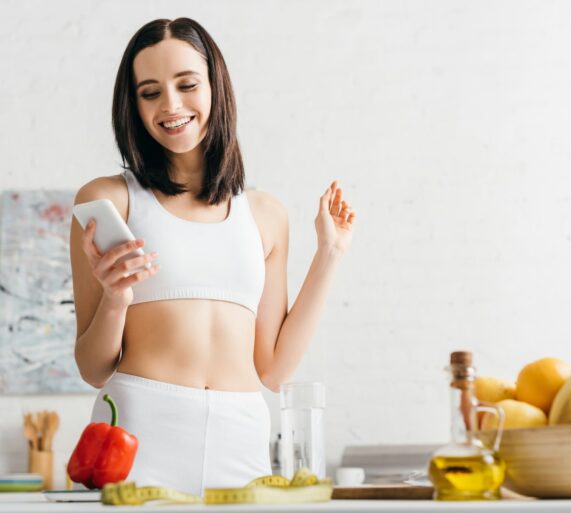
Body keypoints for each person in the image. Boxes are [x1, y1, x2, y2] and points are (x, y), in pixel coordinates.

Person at [69, 17, 357, 496]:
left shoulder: (266, 214)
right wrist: (117, 297)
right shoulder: (109, 200)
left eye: (187, 84)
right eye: (150, 92)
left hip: (240, 435)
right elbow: (92, 367)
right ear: (133, 105)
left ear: (215, 87)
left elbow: (273, 370)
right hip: (139, 432)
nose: (171, 106)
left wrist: (329, 252)